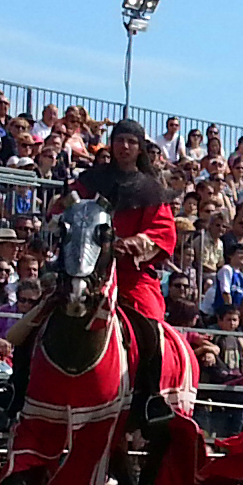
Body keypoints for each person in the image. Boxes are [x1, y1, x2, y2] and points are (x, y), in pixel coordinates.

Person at [74, 120, 180, 403]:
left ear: (140, 148)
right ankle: (18, 386)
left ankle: (150, 399)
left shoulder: (152, 190)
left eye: (131, 142)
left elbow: (162, 232)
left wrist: (129, 244)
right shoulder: (90, 180)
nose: (124, 147)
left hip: (131, 277)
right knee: (39, 315)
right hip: (84, 269)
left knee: (151, 329)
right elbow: (67, 207)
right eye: (120, 140)